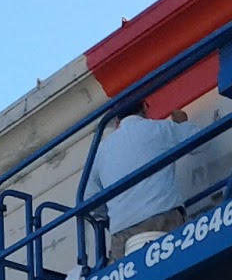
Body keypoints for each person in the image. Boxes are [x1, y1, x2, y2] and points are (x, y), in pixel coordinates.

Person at [85, 102, 199, 259]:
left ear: (117, 121)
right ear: (145, 109)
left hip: (122, 233)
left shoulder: (101, 151)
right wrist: (183, 123)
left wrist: (111, 217)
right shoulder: (159, 128)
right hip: (163, 219)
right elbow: (198, 141)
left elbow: (90, 200)